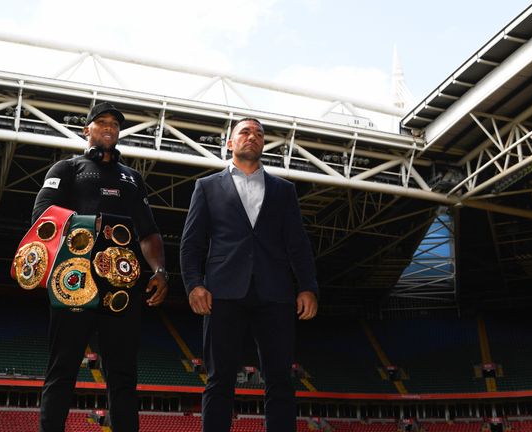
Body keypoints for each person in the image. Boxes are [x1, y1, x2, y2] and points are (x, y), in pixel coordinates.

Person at [31, 102, 169, 432]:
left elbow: (148, 232)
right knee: (62, 369)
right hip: (74, 281)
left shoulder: (133, 178)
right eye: (101, 122)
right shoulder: (66, 168)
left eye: (115, 124)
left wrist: (160, 271)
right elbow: (42, 216)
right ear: (86, 130)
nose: (109, 127)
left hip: (123, 287)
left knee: (123, 374)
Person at [179, 118, 318, 432]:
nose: (252, 136)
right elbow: (192, 243)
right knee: (219, 380)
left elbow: (298, 244)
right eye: (244, 131)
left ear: (263, 144)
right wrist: (194, 284)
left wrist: (308, 286)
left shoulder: (284, 190)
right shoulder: (207, 186)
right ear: (230, 143)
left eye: (258, 134)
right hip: (223, 293)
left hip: (276, 294)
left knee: (280, 380)